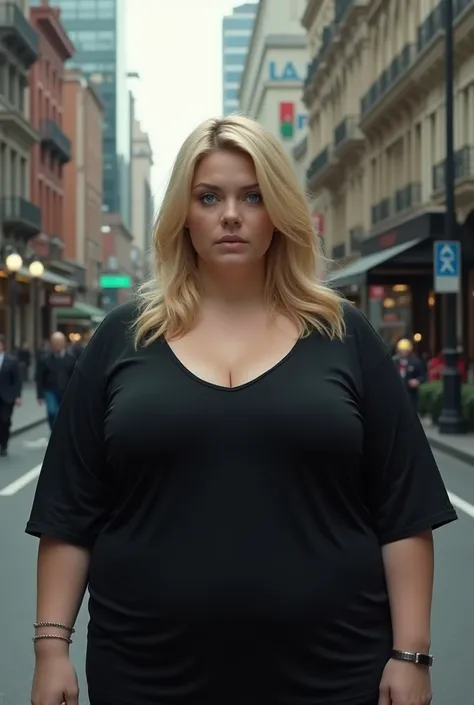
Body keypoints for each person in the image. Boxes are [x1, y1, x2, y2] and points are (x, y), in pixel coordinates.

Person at [26, 116, 457, 705]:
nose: (231, 214)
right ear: (184, 213)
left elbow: (403, 511)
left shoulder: (343, 335)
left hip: (333, 669)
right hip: (145, 671)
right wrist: (51, 650)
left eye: (252, 196)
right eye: (209, 197)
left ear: (279, 210)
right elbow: (70, 512)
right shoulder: (121, 338)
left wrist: (411, 654)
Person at [35, 331, 76, 430]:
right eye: (55, 342)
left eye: (59, 342)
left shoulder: (71, 358)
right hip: (50, 390)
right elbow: (39, 377)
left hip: (66, 391)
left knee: (63, 414)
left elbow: (75, 376)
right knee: (52, 412)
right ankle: (54, 431)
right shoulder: (44, 359)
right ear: (51, 344)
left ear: (64, 343)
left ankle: (61, 433)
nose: (57, 345)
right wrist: (40, 395)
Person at [0, 335, 22, 456]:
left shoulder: (11, 361)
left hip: (7, 396)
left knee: (5, 420)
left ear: (3, 345)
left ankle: (4, 444)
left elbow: (17, 380)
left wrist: (18, 396)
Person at [392, 338, 426, 406]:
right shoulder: (393, 362)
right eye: (401, 350)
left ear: (410, 350)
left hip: (411, 396)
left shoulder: (416, 363)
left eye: (405, 350)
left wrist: (417, 381)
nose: (403, 353)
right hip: (395, 395)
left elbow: (424, 377)